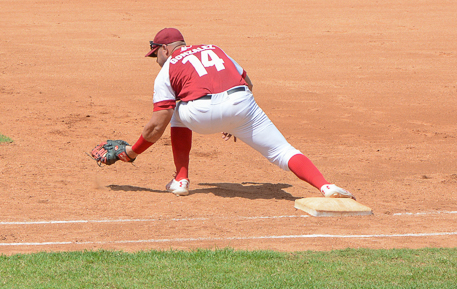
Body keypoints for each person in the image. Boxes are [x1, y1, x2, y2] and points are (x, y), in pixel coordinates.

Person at [95, 28, 354, 199]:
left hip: (201, 114)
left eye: (156, 56)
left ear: (165, 49)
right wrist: (234, 120)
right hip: (242, 104)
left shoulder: (168, 67)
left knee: (172, 110)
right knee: (282, 151)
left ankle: (181, 180)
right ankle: (326, 186)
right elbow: (247, 81)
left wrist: (130, 153)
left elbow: (156, 126)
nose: (157, 61)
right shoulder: (215, 48)